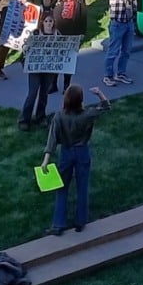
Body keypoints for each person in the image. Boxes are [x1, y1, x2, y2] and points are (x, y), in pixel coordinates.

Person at [41, 85, 112, 236]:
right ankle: (80, 222)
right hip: (82, 152)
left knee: (62, 188)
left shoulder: (59, 116)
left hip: (66, 153)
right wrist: (99, 93)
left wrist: (46, 159)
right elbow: (106, 106)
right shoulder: (87, 114)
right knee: (82, 187)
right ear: (80, 100)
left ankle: (58, 224)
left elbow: (52, 139)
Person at [44, 0, 88, 92]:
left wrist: (82, 32)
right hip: (58, 33)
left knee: (68, 61)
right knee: (56, 60)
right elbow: (46, 3)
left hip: (72, 33)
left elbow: (83, 14)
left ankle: (66, 86)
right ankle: (53, 84)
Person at [19, 13, 59, 131]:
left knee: (44, 94)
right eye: (46, 21)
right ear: (42, 22)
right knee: (32, 93)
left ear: (53, 23)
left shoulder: (58, 34)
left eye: (50, 21)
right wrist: (26, 47)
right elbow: (26, 47)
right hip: (35, 68)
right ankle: (24, 119)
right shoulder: (35, 33)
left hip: (49, 68)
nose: (48, 24)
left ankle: (40, 116)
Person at [103, 0, 137, 87]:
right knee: (113, 51)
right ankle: (108, 75)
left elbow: (133, 2)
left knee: (126, 51)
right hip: (117, 23)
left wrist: (134, 19)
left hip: (129, 22)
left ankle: (121, 73)